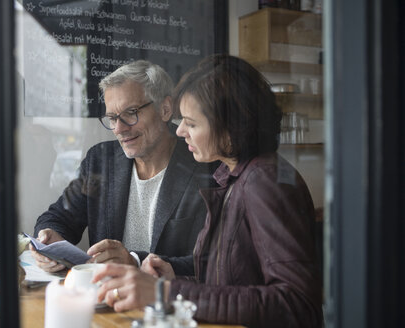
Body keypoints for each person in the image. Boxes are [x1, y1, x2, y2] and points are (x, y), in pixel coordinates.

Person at [92, 54, 323, 327]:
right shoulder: (233, 176)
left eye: (191, 123)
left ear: (229, 127)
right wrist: (174, 275)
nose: (180, 132)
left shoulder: (264, 183)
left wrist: (164, 292)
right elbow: (233, 282)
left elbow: (296, 304)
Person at [32, 60, 217, 272]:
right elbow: (57, 216)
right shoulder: (101, 161)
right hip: (106, 298)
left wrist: (135, 262)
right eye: (112, 117)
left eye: (131, 112)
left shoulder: (206, 166)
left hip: (167, 300)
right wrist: (49, 237)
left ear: (165, 109)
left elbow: (211, 262)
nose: (119, 128)